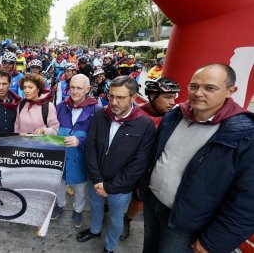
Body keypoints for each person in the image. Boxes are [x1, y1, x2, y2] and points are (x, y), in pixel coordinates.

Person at [142, 63, 254, 253]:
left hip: (186, 224)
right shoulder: (175, 115)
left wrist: (214, 241)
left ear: (230, 91)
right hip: (153, 204)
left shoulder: (245, 136)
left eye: (209, 88)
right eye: (194, 86)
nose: (198, 93)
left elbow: (247, 202)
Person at [76, 76, 156, 253]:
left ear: (134, 98)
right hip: (96, 180)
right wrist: (97, 180)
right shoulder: (100, 115)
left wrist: (110, 187)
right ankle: (95, 231)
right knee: (95, 208)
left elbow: (139, 163)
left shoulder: (145, 124)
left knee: (115, 218)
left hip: (121, 187)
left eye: (120, 97)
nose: (114, 102)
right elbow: (90, 147)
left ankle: (109, 247)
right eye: (111, 96)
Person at [120, 77, 181, 240]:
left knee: (139, 198)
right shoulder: (134, 111)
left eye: (174, 97)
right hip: (127, 164)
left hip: (152, 170)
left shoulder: (175, 118)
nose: (172, 102)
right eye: (168, 97)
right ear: (153, 96)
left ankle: (127, 220)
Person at [52, 74, 98, 228]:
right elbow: (53, 129)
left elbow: (98, 138)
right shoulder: (60, 107)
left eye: (79, 88)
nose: (75, 91)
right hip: (60, 157)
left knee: (80, 189)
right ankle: (60, 204)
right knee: (59, 184)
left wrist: (80, 141)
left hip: (81, 159)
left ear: (87, 89)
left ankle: (78, 210)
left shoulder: (96, 110)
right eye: (72, 87)